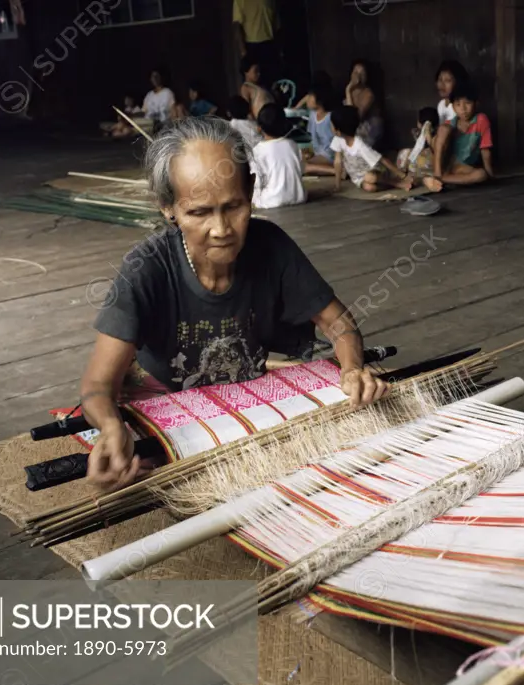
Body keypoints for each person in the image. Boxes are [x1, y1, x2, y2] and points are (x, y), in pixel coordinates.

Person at [80, 117, 387, 491]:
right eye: (199, 212)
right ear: (168, 208)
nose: (222, 229)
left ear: (252, 190)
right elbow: (98, 384)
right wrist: (112, 426)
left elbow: (340, 324)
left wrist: (353, 368)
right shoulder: (147, 268)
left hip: (245, 402)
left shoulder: (270, 245)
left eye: (234, 207)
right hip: (168, 406)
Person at [330, 106, 413, 193]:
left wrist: (402, 176)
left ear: (338, 130)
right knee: (370, 188)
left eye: (331, 124)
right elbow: (337, 162)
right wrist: (337, 185)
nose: (330, 126)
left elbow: (382, 159)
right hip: (357, 178)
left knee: (371, 177)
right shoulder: (338, 139)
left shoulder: (360, 145)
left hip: (374, 172)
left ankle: (396, 183)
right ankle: (390, 185)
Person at [433, 82, 494, 186]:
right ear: (453, 107)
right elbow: (437, 146)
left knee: (481, 174)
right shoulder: (449, 124)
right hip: (444, 164)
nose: (463, 109)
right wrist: (438, 170)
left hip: (461, 167)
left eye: (468, 103)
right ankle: (437, 175)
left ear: (476, 103)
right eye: (458, 104)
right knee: (443, 129)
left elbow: (485, 150)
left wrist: (490, 175)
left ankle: (441, 180)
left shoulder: (481, 120)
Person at [252, 104, 306, 209]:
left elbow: (257, 181)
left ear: (259, 128)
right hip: (298, 197)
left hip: (272, 200)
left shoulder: (258, 150)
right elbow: (301, 169)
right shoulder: (292, 144)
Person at [233, 0, 281, 88]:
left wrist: (279, 47)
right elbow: (237, 26)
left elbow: (276, 22)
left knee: (272, 82)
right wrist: (243, 52)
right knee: (253, 84)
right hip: (251, 46)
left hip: (269, 44)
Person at [396, 108, 443, 192]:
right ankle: (423, 179)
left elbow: (433, 150)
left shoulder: (436, 135)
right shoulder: (434, 133)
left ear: (419, 122)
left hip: (426, 165)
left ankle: (412, 178)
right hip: (431, 168)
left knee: (404, 153)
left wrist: (428, 135)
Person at [343, 59, 384, 149]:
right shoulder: (352, 91)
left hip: (368, 130)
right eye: (355, 72)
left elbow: (354, 118)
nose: (358, 76)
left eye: (362, 73)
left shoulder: (368, 93)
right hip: (353, 127)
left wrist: (348, 90)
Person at [303, 85, 337, 176]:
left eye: (310, 97)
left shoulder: (330, 117)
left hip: (330, 155)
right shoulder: (312, 115)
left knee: (301, 166)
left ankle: (336, 170)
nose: (308, 99)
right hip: (317, 153)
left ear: (320, 101)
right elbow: (312, 139)